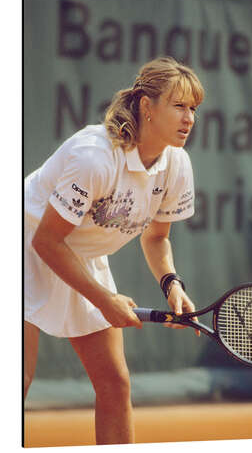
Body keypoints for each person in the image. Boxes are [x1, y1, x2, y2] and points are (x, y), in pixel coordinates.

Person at [24, 56, 205, 445]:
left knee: (115, 384)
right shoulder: (95, 155)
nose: (189, 117)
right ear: (146, 106)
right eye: (178, 105)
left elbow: (156, 237)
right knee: (17, 376)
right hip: (23, 242)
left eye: (193, 108)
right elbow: (45, 241)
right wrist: (105, 299)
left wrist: (171, 284)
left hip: (79, 255)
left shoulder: (177, 164)